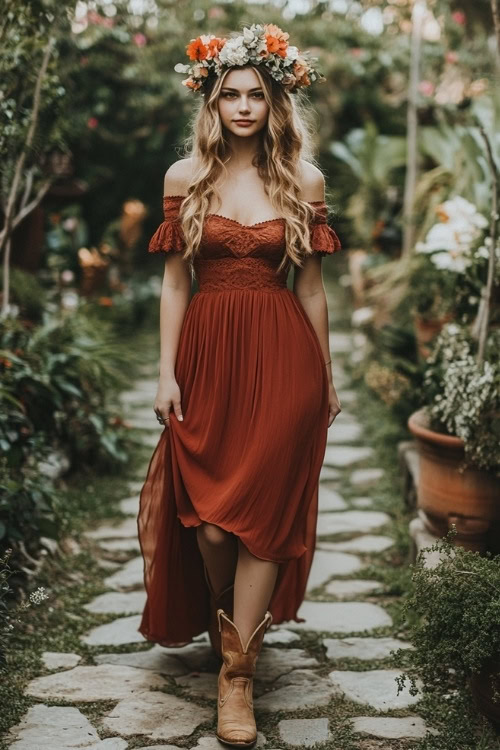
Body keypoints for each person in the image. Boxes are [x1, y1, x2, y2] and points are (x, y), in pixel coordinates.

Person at [137, 23, 342, 748]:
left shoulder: (304, 181)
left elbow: (312, 289)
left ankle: (238, 678)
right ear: (213, 102)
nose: (246, 106)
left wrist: (326, 372)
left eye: (258, 94)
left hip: (284, 359)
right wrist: (165, 371)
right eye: (233, 95)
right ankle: (230, 620)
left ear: (276, 101)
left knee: (265, 512)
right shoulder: (182, 178)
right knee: (215, 523)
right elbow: (171, 284)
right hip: (206, 358)